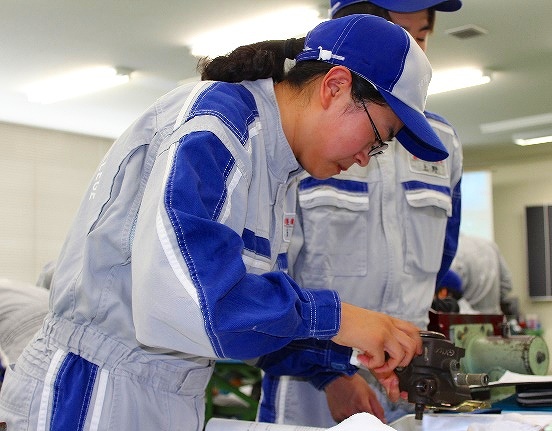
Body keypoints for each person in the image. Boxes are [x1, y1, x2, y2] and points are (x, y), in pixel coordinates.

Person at [0, 15, 447, 431]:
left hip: (168, 390)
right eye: (376, 138)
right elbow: (192, 299)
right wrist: (339, 318)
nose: (365, 159)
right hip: (96, 392)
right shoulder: (219, 124)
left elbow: (248, 321)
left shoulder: (276, 168)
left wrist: (345, 359)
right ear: (334, 86)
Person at [258, 0, 464, 426]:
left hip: (405, 382)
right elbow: (262, 285)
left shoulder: (441, 145)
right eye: (399, 38)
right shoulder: (301, 137)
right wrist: (330, 374)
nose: (414, 56)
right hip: (309, 389)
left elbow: (438, 266)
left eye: (421, 38)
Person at [450, 233, 519, 316]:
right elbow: (506, 283)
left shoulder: (453, 248)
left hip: (464, 321)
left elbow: (452, 290)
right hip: (494, 320)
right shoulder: (489, 245)